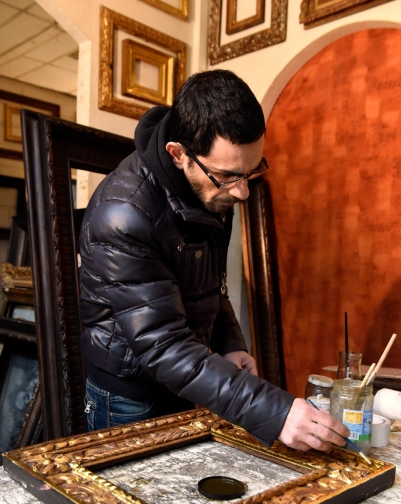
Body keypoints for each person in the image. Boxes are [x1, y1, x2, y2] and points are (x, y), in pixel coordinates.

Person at [79, 69, 349, 451]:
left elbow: (209, 284)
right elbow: (164, 347)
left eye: (252, 171)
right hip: (129, 398)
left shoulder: (210, 187)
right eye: (228, 176)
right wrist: (275, 411)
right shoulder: (124, 214)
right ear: (178, 154)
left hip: (185, 374)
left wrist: (228, 343)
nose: (242, 192)